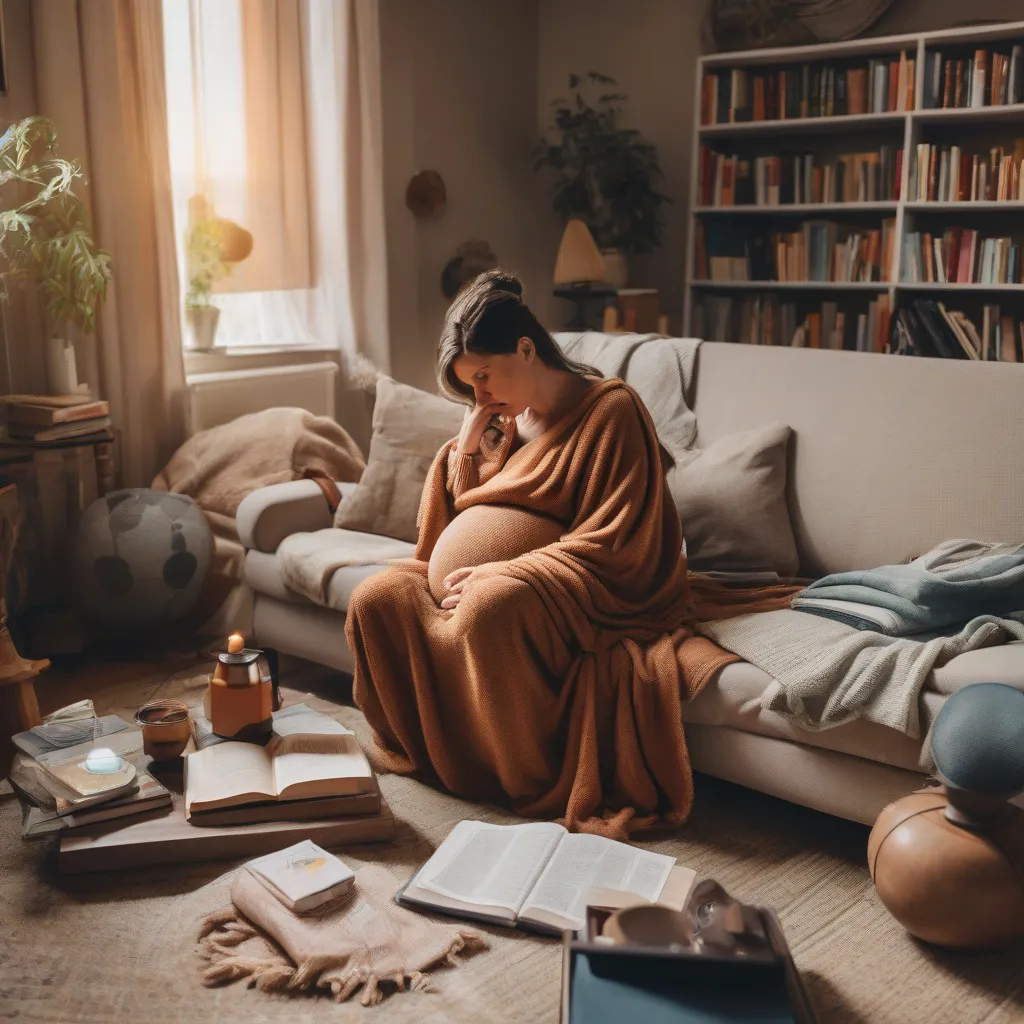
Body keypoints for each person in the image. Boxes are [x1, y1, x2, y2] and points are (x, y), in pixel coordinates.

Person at [345, 271, 791, 839]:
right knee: (374, 598)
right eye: (469, 387)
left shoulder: (611, 411)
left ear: (526, 348)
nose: (480, 397)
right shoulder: (503, 424)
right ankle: (446, 756)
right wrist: (467, 447)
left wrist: (506, 569)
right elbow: (459, 515)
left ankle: (519, 777)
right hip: (473, 586)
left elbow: (621, 539)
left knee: (491, 605)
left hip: (576, 595)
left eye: (483, 378)